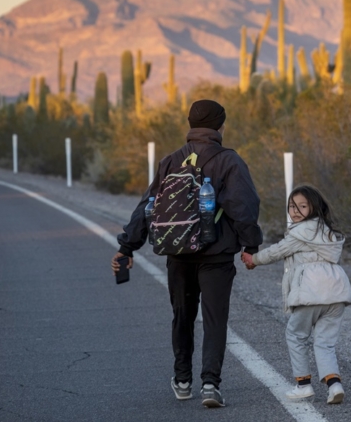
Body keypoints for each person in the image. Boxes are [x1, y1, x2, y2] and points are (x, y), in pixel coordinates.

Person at [110, 99, 263, 409]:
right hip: (216, 255)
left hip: (177, 253)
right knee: (214, 319)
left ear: (191, 125)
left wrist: (128, 247)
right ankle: (210, 385)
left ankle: (182, 380)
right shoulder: (229, 161)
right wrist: (251, 245)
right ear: (221, 126)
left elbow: (148, 207)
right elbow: (243, 208)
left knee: (183, 315)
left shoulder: (170, 161)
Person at [243, 184, 351, 404]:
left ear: (314, 208)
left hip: (312, 292)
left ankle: (303, 385)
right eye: (292, 206)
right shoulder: (327, 232)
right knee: (325, 342)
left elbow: (278, 250)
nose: (295, 211)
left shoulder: (302, 232)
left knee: (296, 334)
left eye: (302, 206)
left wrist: (253, 260)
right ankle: (334, 385)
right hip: (337, 293)